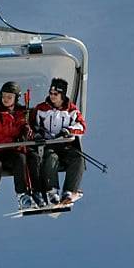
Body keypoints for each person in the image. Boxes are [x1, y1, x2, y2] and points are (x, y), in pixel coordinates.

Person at [0, 81, 35, 210]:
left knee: (21, 159)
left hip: (12, 151)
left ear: (16, 98)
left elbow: (30, 131)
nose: (5, 99)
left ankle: (22, 194)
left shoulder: (23, 113)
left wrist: (26, 132)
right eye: (3, 96)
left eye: (9, 97)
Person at [33, 77, 86, 205]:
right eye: (50, 93)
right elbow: (31, 125)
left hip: (65, 144)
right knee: (51, 158)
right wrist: (38, 134)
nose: (52, 96)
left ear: (62, 95)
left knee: (78, 158)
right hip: (49, 144)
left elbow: (82, 127)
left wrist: (69, 130)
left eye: (55, 94)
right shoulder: (41, 109)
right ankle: (52, 191)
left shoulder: (71, 110)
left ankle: (69, 191)